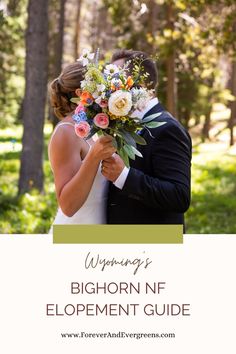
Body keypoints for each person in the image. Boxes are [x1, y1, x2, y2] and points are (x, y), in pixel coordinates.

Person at [102, 49, 192, 227]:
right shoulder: (123, 124)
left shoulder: (168, 129)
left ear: (140, 82)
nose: (108, 88)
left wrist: (124, 176)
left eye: (115, 81)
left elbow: (179, 196)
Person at [48, 62, 116, 230]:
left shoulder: (98, 126)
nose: (106, 93)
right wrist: (94, 157)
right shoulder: (66, 133)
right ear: (81, 93)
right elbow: (68, 206)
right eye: (100, 87)